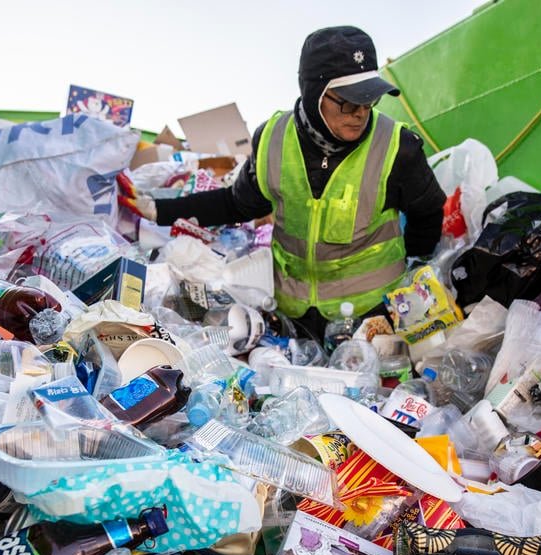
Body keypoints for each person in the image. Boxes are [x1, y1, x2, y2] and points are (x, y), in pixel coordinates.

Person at [126, 25, 446, 341]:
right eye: (348, 102)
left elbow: (428, 212)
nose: (360, 113)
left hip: (372, 318)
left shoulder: (396, 147)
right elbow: (237, 204)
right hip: (295, 317)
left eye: (369, 100)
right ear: (313, 92)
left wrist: (411, 279)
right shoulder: (273, 140)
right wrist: (157, 209)